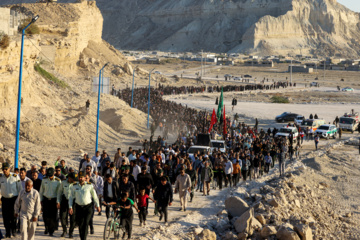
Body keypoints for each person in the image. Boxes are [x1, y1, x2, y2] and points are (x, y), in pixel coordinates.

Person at [68, 171, 100, 240]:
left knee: (86, 223)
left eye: (82, 177)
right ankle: (82, 237)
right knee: (80, 224)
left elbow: (95, 196)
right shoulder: (74, 186)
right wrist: (70, 207)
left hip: (88, 207)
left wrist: (97, 205)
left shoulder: (89, 185)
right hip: (78, 207)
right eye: (79, 177)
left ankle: (84, 238)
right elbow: (71, 197)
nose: (80, 179)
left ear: (85, 178)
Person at [0, 162, 22, 238]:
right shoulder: (1, 178)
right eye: (3, 169)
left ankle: (13, 230)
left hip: (13, 199)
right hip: (5, 200)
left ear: (9, 169)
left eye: (6, 169)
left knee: (13, 216)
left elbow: (20, 189)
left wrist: (20, 200)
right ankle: (7, 232)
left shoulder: (15, 177)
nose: (4, 170)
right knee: (5, 217)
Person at [39, 167, 61, 236]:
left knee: (53, 216)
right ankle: (46, 227)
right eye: (48, 175)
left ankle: (51, 230)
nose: (50, 177)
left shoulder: (58, 181)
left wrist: (58, 201)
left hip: (53, 200)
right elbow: (41, 191)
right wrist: (40, 200)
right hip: (46, 199)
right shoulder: (44, 180)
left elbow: (59, 193)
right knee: (45, 215)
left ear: (54, 173)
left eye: (51, 175)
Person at [57, 172, 76, 238]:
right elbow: (59, 192)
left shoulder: (76, 184)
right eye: (72, 179)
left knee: (73, 218)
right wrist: (58, 201)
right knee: (62, 217)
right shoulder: (63, 182)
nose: (74, 180)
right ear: (69, 178)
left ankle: (71, 232)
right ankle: (64, 230)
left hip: (73, 202)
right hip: (65, 201)